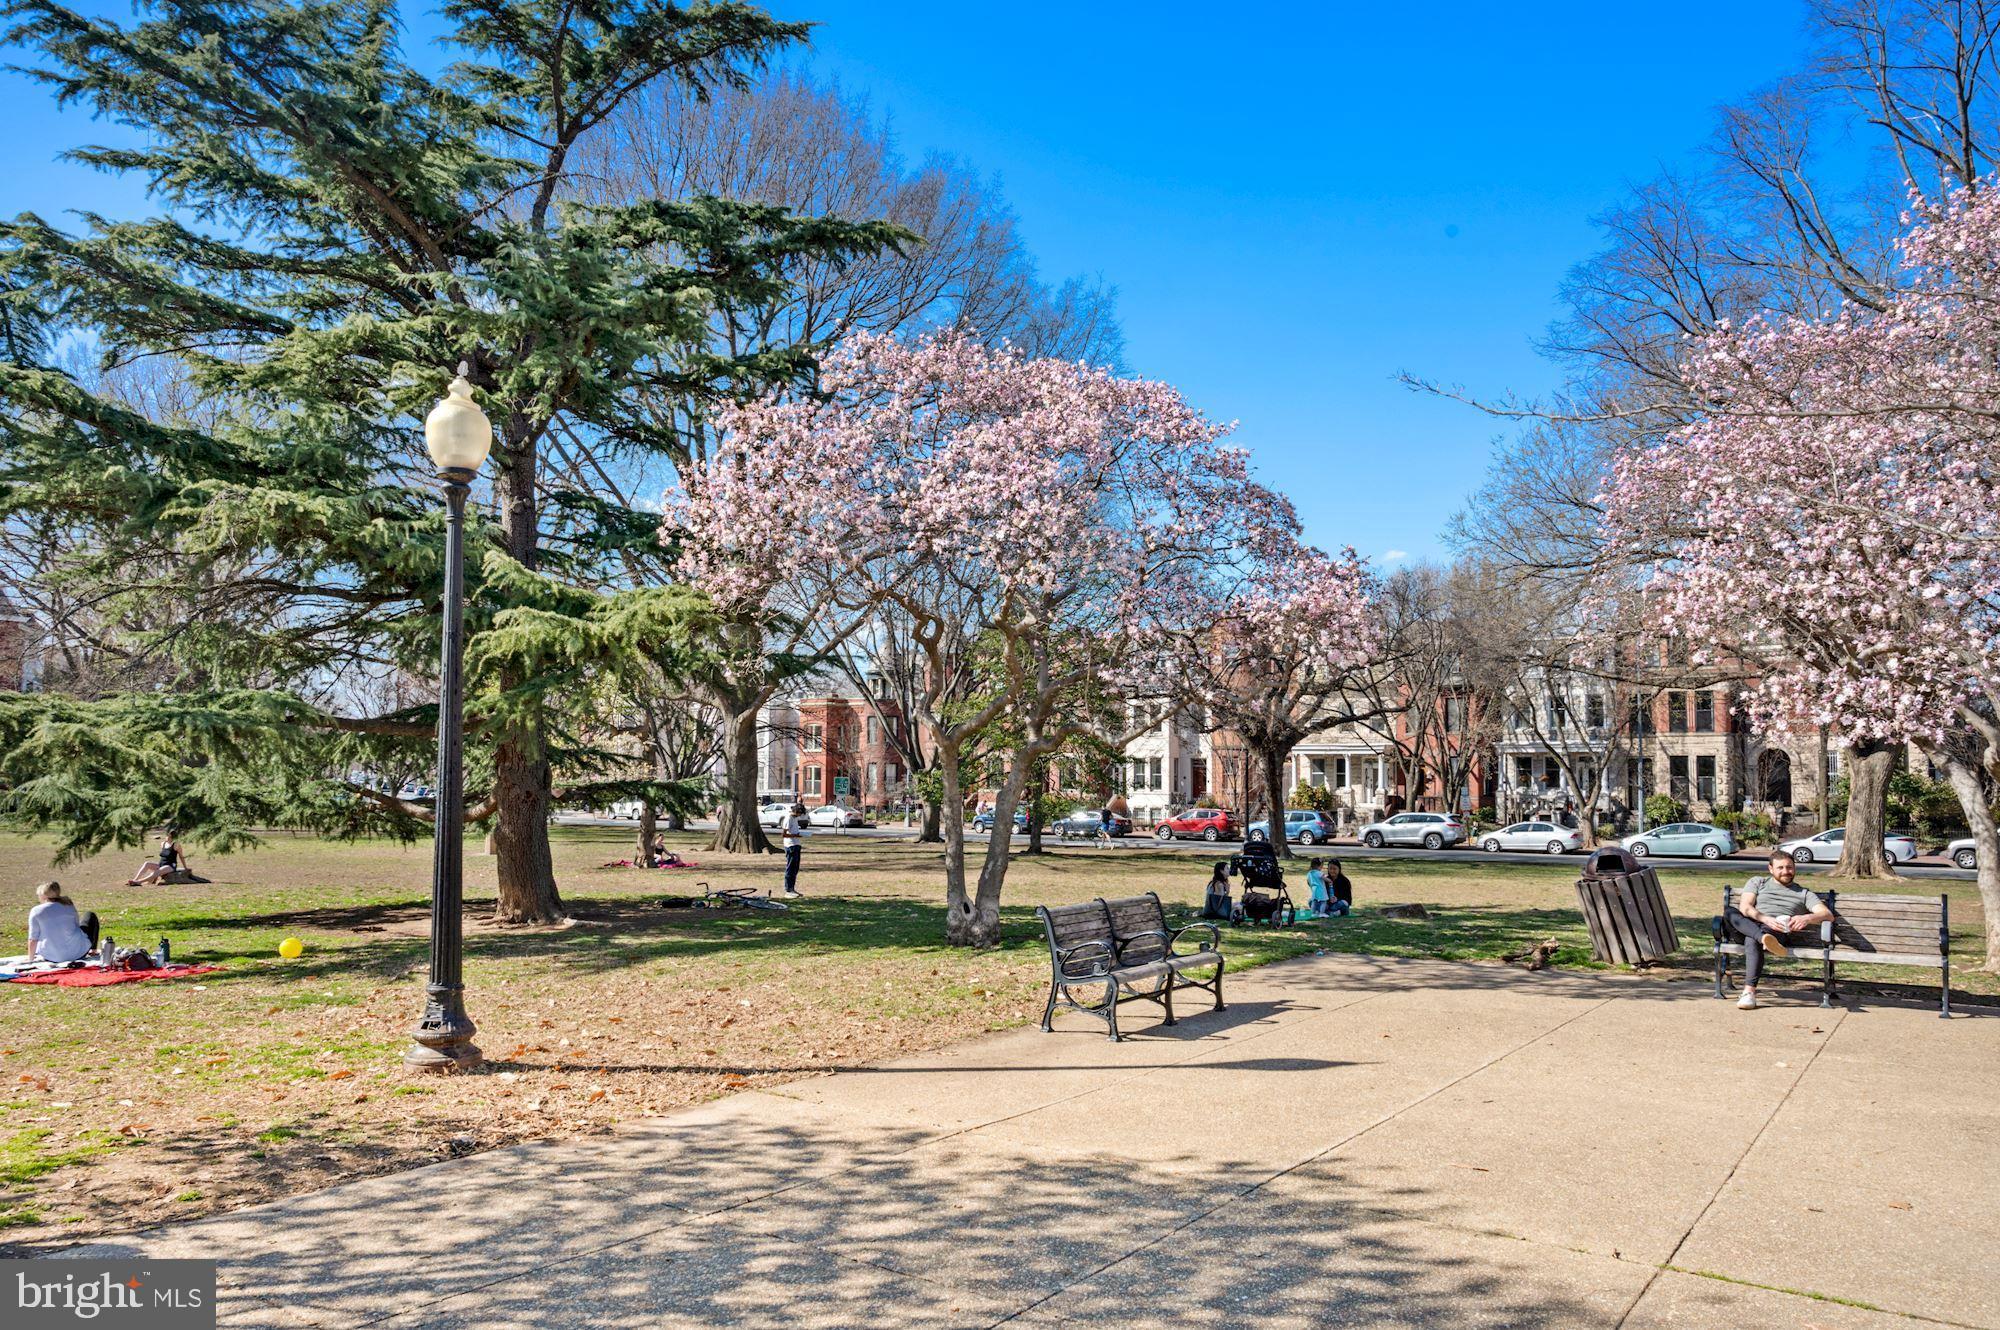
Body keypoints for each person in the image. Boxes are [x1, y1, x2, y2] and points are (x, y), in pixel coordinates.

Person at [1725, 848, 1833, 1010]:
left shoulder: (1804, 893)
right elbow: (1745, 907)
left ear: (1794, 868)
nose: (1786, 871)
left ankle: (1749, 992)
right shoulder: (1758, 882)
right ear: (1770, 869)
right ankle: (1761, 938)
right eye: (1780, 868)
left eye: (1789, 867)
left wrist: (1806, 917)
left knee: (1752, 940)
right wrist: (1764, 918)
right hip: (1750, 925)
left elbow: (1827, 914)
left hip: (1776, 931)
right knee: (1729, 912)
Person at [27, 881, 97, 965]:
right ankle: (93, 950)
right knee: (89, 915)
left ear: (43, 895)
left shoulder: (36, 911)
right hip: (79, 953)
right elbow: (76, 925)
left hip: (52, 957)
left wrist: (30, 959)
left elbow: (33, 938)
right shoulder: (68, 905)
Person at [781, 802, 807, 898]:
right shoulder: (788, 818)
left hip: (796, 844)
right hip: (790, 845)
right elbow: (784, 834)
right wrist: (795, 835)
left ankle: (792, 888)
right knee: (790, 868)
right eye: (800, 813)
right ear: (796, 811)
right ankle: (788, 889)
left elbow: (794, 830)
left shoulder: (795, 819)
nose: (800, 815)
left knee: (795, 868)